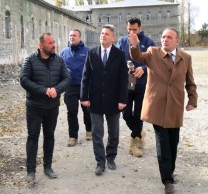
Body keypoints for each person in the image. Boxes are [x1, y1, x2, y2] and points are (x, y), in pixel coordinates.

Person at [129, 27, 198, 194]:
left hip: (175, 105)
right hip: (157, 106)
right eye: (163, 37)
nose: (165, 40)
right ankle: (167, 180)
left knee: (173, 141)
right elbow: (137, 57)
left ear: (177, 41)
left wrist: (192, 100)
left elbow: (190, 82)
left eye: (169, 37)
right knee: (162, 143)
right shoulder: (153, 53)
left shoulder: (186, 58)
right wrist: (135, 45)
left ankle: (170, 170)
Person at [20, 33, 70, 183]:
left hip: (52, 106)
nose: (53, 45)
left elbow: (67, 79)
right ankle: (31, 171)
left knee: (49, 136)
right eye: (50, 43)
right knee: (33, 137)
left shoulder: (59, 60)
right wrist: (44, 90)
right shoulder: (30, 60)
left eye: (54, 42)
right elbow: (24, 80)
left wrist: (57, 89)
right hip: (34, 106)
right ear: (40, 45)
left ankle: (48, 167)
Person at [81, 24, 128, 175]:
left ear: (113, 37)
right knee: (97, 133)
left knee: (113, 132)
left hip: (114, 101)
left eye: (107, 34)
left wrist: (122, 99)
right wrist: (84, 97)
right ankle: (100, 162)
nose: (103, 36)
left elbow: (123, 79)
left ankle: (111, 157)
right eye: (102, 33)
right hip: (95, 100)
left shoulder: (119, 55)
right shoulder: (92, 53)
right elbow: (85, 76)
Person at [116, 17, 155, 157]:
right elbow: (117, 58)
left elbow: (155, 60)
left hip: (143, 83)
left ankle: (134, 140)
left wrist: (143, 68)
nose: (132, 32)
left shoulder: (148, 42)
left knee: (139, 113)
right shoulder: (121, 41)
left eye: (135, 29)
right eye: (129, 29)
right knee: (125, 113)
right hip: (128, 81)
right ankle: (139, 132)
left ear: (140, 28)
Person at [59, 29, 92, 147]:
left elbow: (92, 70)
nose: (72, 37)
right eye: (70, 35)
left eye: (74, 35)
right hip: (70, 87)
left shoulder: (87, 52)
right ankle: (73, 136)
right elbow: (59, 70)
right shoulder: (63, 52)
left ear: (80, 37)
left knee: (87, 110)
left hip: (85, 87)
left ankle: (89, 130)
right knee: (71, 112)